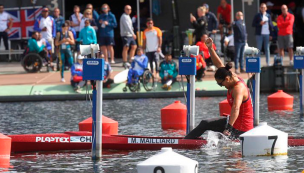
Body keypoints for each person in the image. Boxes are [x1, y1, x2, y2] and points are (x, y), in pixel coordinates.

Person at [184, 37, 253, 140]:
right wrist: (210, 48)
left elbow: (236, 108)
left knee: (216, 139)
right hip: (234, 122)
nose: (222, 86)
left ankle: (187, 143)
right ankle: (187, 141)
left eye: (221, 84)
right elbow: (219, 64)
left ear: (227, 79)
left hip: (242, 129)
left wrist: (228, 128)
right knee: (205, 123)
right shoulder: (230, 75)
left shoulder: (238, 89)